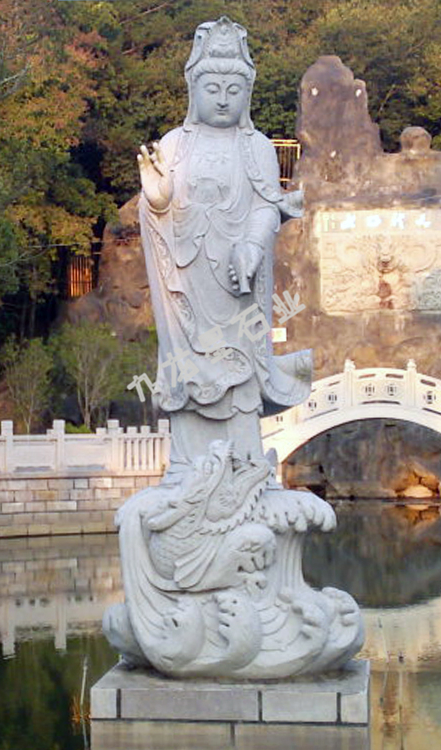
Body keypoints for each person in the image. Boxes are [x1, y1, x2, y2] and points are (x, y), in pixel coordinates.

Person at [137, 16, 310, 469]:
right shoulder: (175, 144)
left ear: (246, 94)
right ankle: (189, 466)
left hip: (238, 280)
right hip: (188, 279)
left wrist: (252, 244)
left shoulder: (257, 147)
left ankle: (244, 462)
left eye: (233, 90)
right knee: (190, 360)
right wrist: (157, 200)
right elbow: (161, 206)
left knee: (240, 368)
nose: (222, 99)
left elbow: (268, 204)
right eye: (212, 88)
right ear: (193, 90)